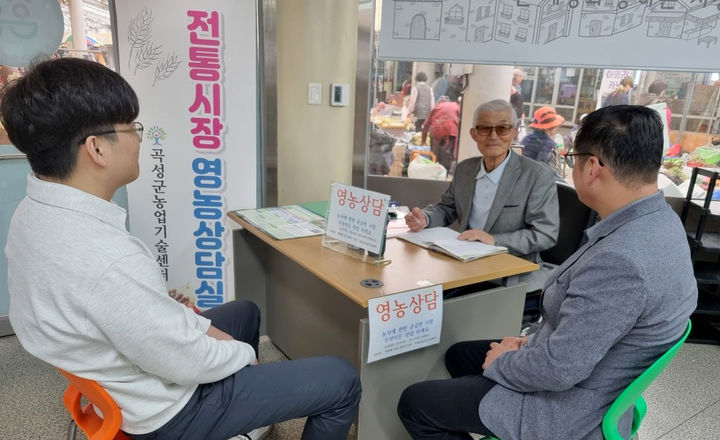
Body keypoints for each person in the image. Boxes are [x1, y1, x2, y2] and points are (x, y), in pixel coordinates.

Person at [2, 58, 361, 440]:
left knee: (245, 313)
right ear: (97, 149)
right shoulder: (107, 260)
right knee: (341, 380)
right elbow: (182, 361)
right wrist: (242, 355)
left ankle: (237, 422)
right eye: (130, 128)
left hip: (123, 376)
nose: (138, 138)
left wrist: (204, 330)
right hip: (166, 412)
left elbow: (146, 324)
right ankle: (224, 416)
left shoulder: (33, 212)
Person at [397, 105, 697, 440]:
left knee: (415, 403)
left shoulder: (621, 260)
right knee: (459, 354)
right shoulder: (661, 221)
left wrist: (505, 362)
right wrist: (528, 342)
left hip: (570, 408)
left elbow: (560, 368)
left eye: (573, 159)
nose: (492, 137)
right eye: (484, 129)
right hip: (586, 363)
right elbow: (592, 327)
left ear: (593, 167)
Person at [405, 99, 559, 267]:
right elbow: (447, 208)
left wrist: (494, 240)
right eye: (485, 128)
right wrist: (425, 219)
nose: (493, 136)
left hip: (510, 270)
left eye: (502, 128)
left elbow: (546, 234)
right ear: (474, 134)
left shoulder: (537, 176)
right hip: (465, 261)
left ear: (514, 133)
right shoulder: (465, 169)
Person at [421, 96, 460, 173]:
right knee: (447, 157)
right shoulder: (456, 106)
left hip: (436, 131)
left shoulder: (437, 107)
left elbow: (425, 126)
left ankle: (434, 173)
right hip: (450, 132)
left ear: (439, 102)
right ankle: (444, 174)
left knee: (435, 155)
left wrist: (423, 141)